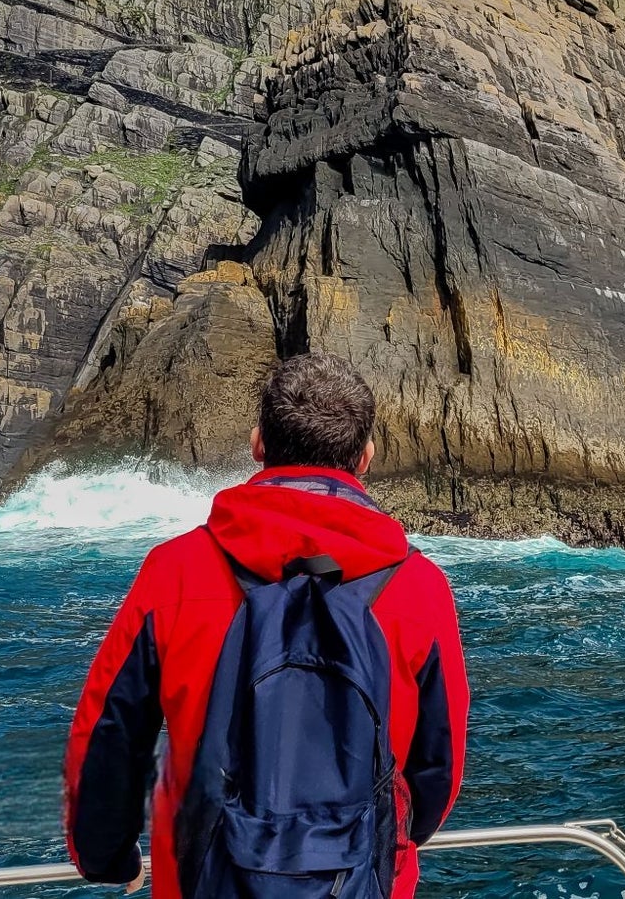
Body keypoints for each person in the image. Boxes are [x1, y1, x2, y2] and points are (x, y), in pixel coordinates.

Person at [65, 354, 470, 899]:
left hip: (202, 880)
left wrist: (107, 857)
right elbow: (438, 765)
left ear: (258, 445)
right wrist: (394, 843)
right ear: (365, 458)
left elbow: (109, 735)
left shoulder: (174, 571)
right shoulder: (420, 587)